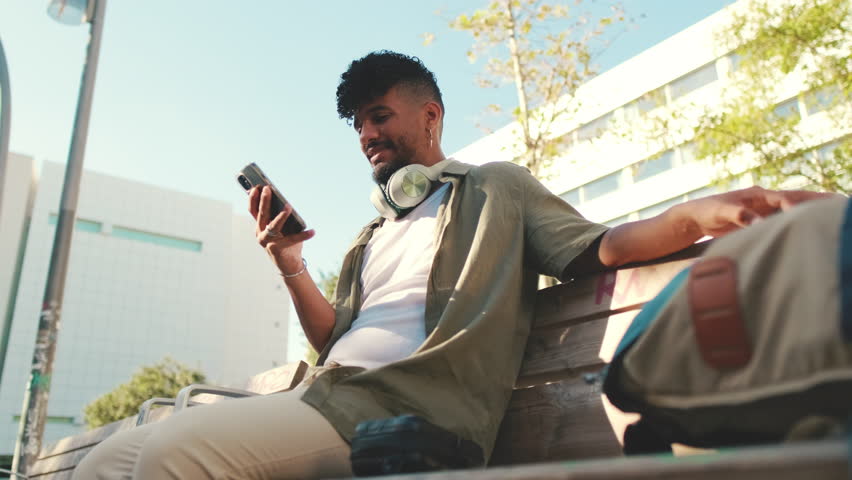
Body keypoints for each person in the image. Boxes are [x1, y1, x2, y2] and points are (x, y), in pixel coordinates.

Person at [73, 50, 838, 480]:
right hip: (330, 399)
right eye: (357, 123)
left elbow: (595, 246)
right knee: (109, 459)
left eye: (380, 115)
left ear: (429, 115)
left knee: (175, 455)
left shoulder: (495, 189)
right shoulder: (367, 238)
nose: (367, 134)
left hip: (406, 416)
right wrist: (289, 263)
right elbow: (333, 342)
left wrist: (703, 213)